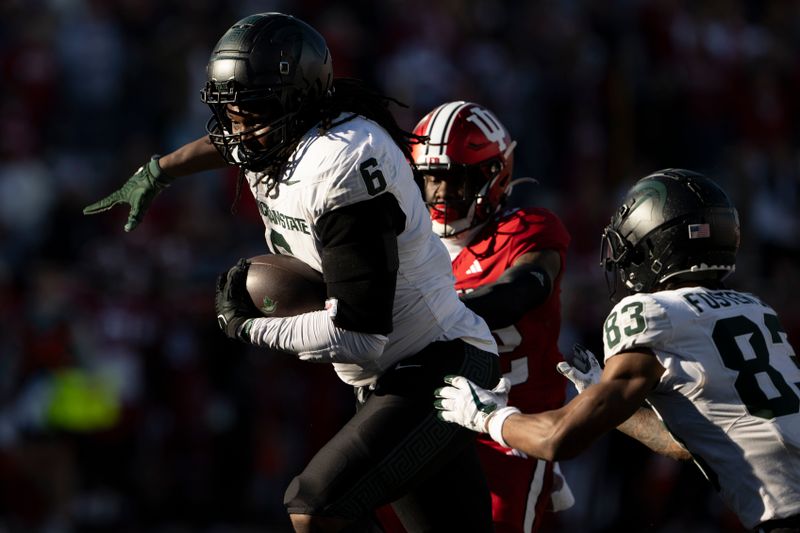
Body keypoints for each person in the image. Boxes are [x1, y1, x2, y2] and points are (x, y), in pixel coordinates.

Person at [83, 12, 501, 532]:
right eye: (229, 109)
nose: (238, 125)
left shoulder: (343, 165)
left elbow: (359, 335)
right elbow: (233, 142)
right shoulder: (279, 134)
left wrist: (248, 326)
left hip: (437, 364)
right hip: (395, 373)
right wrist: (160, 170)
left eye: (250, 107)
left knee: (315, 505)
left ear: (297, 100)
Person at [434, 169, 800, 532]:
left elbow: (558, 438)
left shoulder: (652, 313)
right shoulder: (754, 309)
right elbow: (688, 442)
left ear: (657, 247)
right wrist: (609, 403)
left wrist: (486, 417)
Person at [411, 100, 572, 532]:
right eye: (431, 178)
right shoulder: (409, 245)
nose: (441, 193)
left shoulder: (527, 229)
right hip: (430, 421)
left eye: (455, 178)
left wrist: (427, 313)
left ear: (494, 176)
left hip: (511, 428)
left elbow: (519, 289)